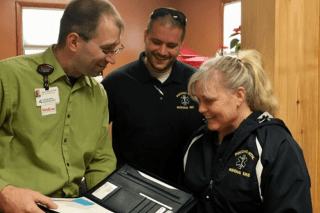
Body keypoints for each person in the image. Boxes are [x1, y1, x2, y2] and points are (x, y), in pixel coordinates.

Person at [0, 0, 124, 212]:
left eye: (116, 49)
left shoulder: (98, 95)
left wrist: (110, 205)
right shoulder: (9, 77)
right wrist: (3, 192)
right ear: (74, 41)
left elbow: (100, 161)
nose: (112, 59)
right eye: (106, 50)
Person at [183, 50, 313, 212]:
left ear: (239, 95)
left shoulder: (275, 146)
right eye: (199, 100)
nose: (201, 109)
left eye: (209, 101)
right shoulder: (197, 142)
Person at [101, 7, 203, 184]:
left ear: (181, 43)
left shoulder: (197, 82)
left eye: (171, 46)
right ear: (145, 35)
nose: (162, 52)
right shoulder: (116, 83)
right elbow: (93, 140)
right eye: (156, 42)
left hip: (185, 194)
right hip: (129, 191)